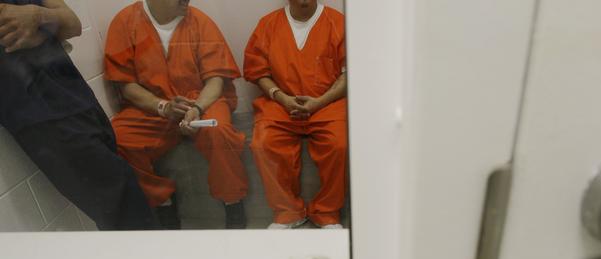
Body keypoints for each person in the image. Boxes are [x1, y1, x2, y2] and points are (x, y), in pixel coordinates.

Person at [0, 0, 158, 230]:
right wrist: (49, 27)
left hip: (77, 97)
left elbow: (73, 24)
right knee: (124, 205)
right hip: (38, 112)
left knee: (125, 200)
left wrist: (38, 16)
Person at [104, 0, 248, 230]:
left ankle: (233, 202)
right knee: (118, 139)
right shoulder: (125, 22)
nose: (187, 0)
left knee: (219, 130)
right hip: (153, 106)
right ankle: (163, 203)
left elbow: (215, 80)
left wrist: (197, 108)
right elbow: (126, 85)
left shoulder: (200, 21)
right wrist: (163, 107)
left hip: (200, 99)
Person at [244, 0, 347, 230]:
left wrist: (320, 102)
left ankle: (327, 211)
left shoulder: (338, 23)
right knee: (262, 143)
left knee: (339, 144)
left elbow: (349, 73)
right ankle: (287, 211)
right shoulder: (268, 25)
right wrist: (281, 96)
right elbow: (257, 71)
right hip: (281, 103)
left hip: (327, 103)